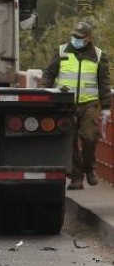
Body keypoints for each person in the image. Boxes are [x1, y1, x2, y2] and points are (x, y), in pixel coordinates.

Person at [41, 21, 111, 189]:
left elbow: (104, 82)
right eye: (74, 36)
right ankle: (76, 177)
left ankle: (89, 167)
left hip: (89, 103)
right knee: (69, 140)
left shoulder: (99, 55)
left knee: (89, 137)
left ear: (88, 38)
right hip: (66, 103)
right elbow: (49, 73)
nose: (75, 39)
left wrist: (107, 107)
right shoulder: (62, 51)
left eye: (79, 37)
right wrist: (44, 92)